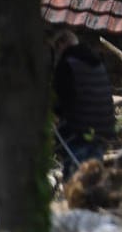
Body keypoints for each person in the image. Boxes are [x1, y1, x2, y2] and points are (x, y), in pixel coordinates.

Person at [50, 30, 116, 169]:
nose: (56, 54)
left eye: (56, 48)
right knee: (93, 175)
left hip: (78, 133)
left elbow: (63, 101)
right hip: (102, 131)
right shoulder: (97, 62)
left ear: (61, 44)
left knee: (76, 179)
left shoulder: (67, 64)